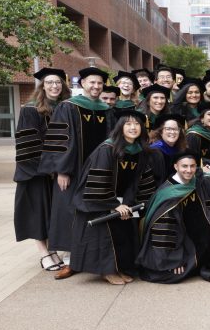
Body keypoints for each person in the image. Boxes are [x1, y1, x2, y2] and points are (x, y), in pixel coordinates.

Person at [38, 67, 112, 279]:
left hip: (98, 170)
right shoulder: (68, 106)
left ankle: (89, 256)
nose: (96, 86)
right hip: (73, 170)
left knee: (93, 211)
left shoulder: (106, 109)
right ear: (83, 83)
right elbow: (61, 139)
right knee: (69, 211)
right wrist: (62, 170)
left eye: (99, 83)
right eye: (92, 82)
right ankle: (71, 260)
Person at [69, 110, 158, 285]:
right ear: (120, 127)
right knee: (105, 236)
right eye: (128, 124)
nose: (133, 127)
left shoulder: (140, 152)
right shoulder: (107, 149)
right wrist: (113, 204)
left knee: (122, 234)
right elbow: (100, 179)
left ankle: (119, 268)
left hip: (122, 201)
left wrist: (128, 203)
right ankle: (107, 271)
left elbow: (136, 181)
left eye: (137, 124)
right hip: (99, 200)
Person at [138, 150, 210, 283]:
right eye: (184, 166)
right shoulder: (169, 195)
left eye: (192, 166)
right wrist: (173, 260)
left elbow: (209, 205)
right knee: (182, 271)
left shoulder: (195, 181)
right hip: (180, 242)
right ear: (176, 167)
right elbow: (165, 233)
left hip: (198, 237)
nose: (189, 170)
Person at [14, 67, 68, 273]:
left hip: (58, 171)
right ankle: (44, 253)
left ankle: (52, 250)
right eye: (50, 82)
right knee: (37, 213)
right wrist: (49, 168)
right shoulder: (31, 109)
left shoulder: (66, 107)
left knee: (51, 213)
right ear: (43, 86)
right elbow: (28, 144)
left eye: (58, 82)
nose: (54, 86)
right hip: (36, 172)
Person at [147, 113, 187, 183]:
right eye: (168, 129)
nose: (172, 132)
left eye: (175, 129)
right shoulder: (154, 152)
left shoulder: (180, 149)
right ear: (161, 132)